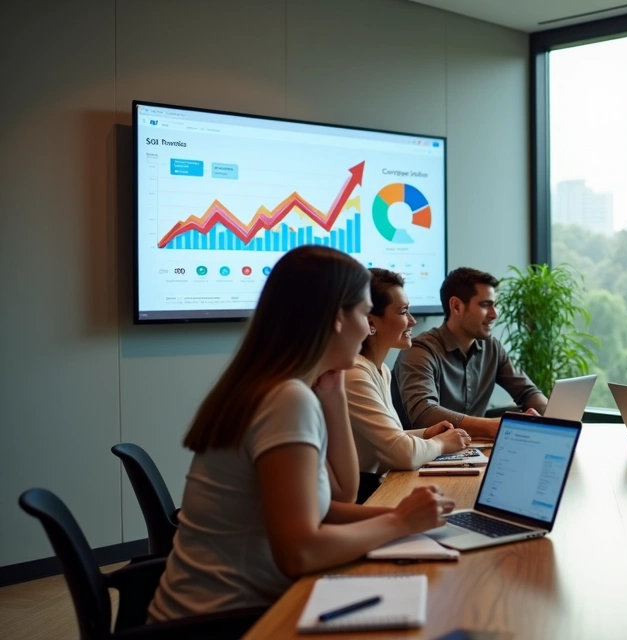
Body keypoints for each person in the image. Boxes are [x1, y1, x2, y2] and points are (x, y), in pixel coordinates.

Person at [149, 246, 455, 623]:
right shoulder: (285, 399)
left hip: (235, 611)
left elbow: (337, 496)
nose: (365, 329)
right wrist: (400, 522)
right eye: (362, 313)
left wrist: (334, 392)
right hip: (224, 623)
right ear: (335, 320)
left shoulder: (283, 388)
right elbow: (299, 553)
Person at [346, 268, 471, 502]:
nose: (412, 320)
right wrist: (440, 444)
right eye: (404, 312)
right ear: (371, 321)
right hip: (356, 498)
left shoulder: (380, 370)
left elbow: (382, 440)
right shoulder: (354, 375)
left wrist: (425, 435)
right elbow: (401, 453)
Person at [395, 267, 546, 439]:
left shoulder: (492, 348)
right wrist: (492, 426)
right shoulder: (419, 351)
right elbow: (424, 414)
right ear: (456, 306)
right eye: (485, 305)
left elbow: (528, 392)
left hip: (471, 454)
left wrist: (554, 417)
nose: (494, 314)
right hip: (423, 459)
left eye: (494, 305)